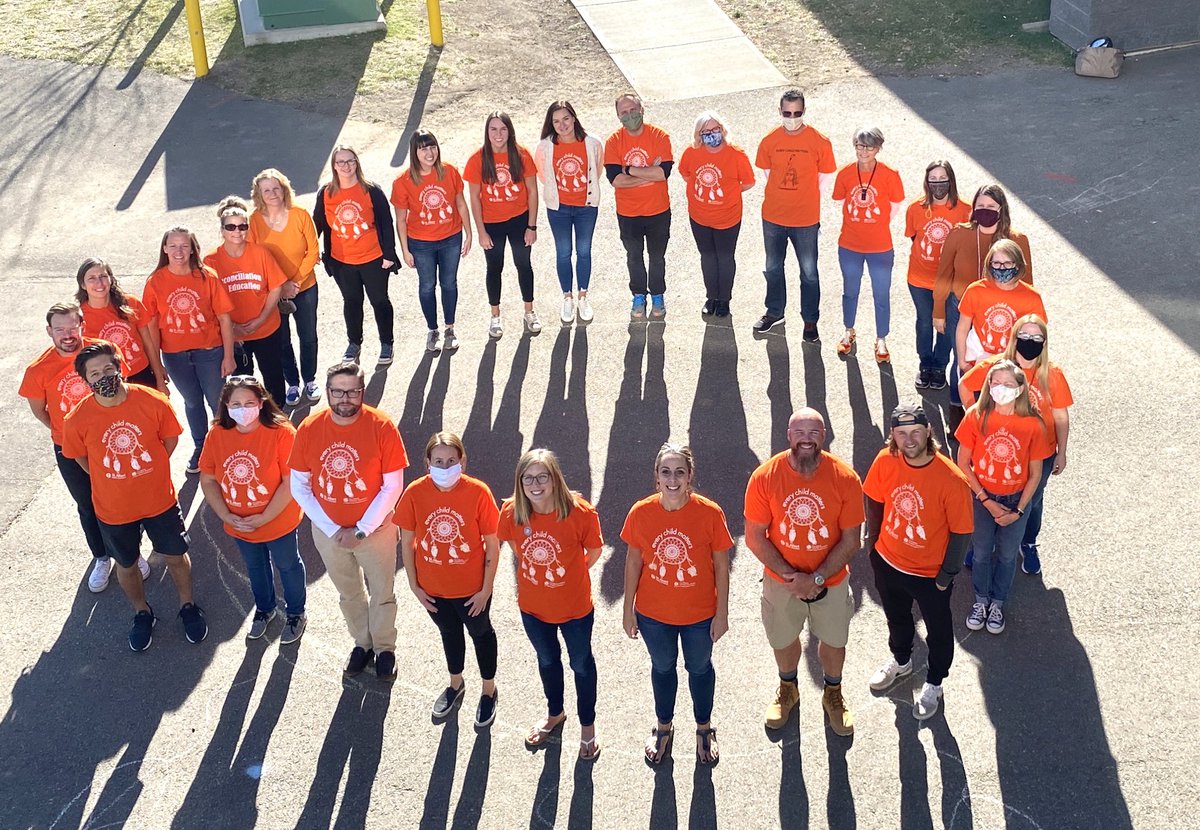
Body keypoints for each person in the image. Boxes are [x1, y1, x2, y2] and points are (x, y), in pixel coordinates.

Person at [61, 342, 207, 651]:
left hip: (159, 501)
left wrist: (148, 470)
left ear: (121, 368)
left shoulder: (153, 401)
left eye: (109, 369)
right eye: (95, 373)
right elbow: (82, 460)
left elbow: (169, 441)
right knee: (126, 566)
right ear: (85, 380)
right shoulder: (76, 419)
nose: (104, 377)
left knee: (174, 556)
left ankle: (187, 605)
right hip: (113, 510)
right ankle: (142, 612)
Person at [744, 408, 864, 736]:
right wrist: (791, 578)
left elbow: (852, 539)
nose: (806, 439)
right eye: (800, 432)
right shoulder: (765, 477)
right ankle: (788, 688)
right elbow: (755, 536)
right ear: (788, 435)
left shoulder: (845, 478)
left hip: (832, 580)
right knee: (783, 639)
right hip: (782, 581)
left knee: (834, 641)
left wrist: (818, 578)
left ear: (824, 436)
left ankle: (833, 692)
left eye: (814, 432)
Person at [289, 362, 407, 679]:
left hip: (376, 531)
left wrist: (360, 529)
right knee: (349, 592)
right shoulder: (310, 428)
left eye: (352, 391)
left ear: (362, 392)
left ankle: (384, 649)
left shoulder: (382, 426)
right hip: (329, 535)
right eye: (338, 391)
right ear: (327, 392)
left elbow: (392, 485)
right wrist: (334, 530)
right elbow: (298, 486)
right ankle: (362, 643)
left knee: (382, 592)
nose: (345, 398)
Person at [20, 304, 145, 593]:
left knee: (122, 498)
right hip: (70, 450)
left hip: (110, 441)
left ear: (82, 324)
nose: (67, 334)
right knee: (88, 505)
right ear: (49, 331)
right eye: (60, 329)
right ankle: (101, 557)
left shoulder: (104, 351)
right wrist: (69, 433)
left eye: (72, 327)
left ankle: (130, 555)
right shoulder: (38, 370)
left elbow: (120, 389)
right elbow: (41, 412)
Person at [621, 444, 732, 765]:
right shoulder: (640, 513)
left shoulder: (710, 513)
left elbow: (722, 566)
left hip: (700, 615)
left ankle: (704, 727)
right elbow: (632, 562)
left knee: (699, 669)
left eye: (679, 472)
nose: (673, 479)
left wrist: (722, 613)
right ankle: (663, 727)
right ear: (656, 478)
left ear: (690, 476)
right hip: (654, 616)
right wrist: (628, 609)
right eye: (665, 472)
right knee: (662, 668)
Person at [863, 403, 973, 721]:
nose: (909, 440)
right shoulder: (886, 460)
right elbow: (874, 500)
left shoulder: (950, 478)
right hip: (888, 563)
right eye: (901, 433)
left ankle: (935, 683)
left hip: (930, 575)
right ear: (893, 436)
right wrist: (874, 548)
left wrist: (946, 575)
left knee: (938, 633)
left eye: (915, 432)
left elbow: (962, 532)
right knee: (897, 620)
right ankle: (901, 661)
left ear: (928, 431)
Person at [497, 449, 604, 760]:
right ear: (520, 483)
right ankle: (555, 713)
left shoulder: (580, 512)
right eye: (528, 478)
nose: (535, 484)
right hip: (533, 608)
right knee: (547, 662)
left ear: (555, 480)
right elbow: (517, 548)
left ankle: (588, 727)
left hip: (575, 609)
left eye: (542, 476)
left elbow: (594, 552)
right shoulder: (511, 511)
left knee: (581, 665)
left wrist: (569, 573)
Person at [396, 432, 501, 727]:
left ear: (462, 462)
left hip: (472, 592)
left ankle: (489, 690)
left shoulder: (478, 493)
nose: (445, 467)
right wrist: (414, 586)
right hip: (433, 591)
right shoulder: (415, 493)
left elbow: (492, 544)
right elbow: (406, 542)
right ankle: (456, 684)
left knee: (481, 635)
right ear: (427, 462)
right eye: (438, 461)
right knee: (449, 634)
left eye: (451, 461)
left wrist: (485, 590)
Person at [958, 314, 1071, 576]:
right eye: (1024, 336)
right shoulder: (996, 367)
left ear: (1044, 342)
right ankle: (981, 545)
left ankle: (1027, 542)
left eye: (1036, 337)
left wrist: (1062, 452)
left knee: (1031, 499)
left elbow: (1061, 416)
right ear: (1014, 337)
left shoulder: (1051, 374)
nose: (1029, 342)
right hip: (995, 448)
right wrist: (973, 416)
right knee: (985, 494)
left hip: (1039, 452)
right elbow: (965, 385)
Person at [198, 376, 307, 644]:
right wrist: (225, 515)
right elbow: (208, 479)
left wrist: (264, 517)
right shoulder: (217, 435)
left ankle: (296, 613)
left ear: (261, 403)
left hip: (277, 521)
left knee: (287, 565)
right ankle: (265, 608)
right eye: (235, 403)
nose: (242, 409)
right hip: (239, 524)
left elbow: (289, 481)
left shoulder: (282, 433)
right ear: (225, 405)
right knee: (255, 568)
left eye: (249, 402)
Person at [954, 359, 1051, 635]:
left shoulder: (1033, 424)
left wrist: (1018, 511)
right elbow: (963, 463)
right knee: (982, 552)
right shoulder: (975, 415)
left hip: (1017, 499)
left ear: (1021, 389)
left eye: (1008, 384)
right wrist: (986, 500)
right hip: (982, 497)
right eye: (996, 383)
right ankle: (981, 600)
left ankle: (998, 602)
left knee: (1008, 555)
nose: (1001, 389)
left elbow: (1035, 474)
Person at [932, 184, 1033, 432]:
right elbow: (944, 275)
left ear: (1002, 209)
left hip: (1003, 313)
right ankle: (957, 408)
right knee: (963, 360)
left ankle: (997, 411)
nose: (985, 211)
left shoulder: (1017, 240)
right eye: (980, 206)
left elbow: (1027, 282)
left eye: (991, 207)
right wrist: (938, 311)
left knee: (1000, 362)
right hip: (961, 308)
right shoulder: (959, 234)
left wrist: (1026, 324)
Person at [142, 226, 236, 474]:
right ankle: (200, 447)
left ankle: (224, 446)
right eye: (173, 246)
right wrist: (157, 364)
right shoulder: (155, 282)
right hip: (175, 357)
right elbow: (151, 325)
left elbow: (225, 319)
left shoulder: (208, 277)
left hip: (210, 353)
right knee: (192, 402)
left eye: (184, 246)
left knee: (217, 402)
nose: (178, 251)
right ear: (164, 249)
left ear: (193, 249)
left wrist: (229, 356)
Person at [753, 88, 836, 337]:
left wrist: (806, 197)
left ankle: (810, 320)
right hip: (773, 217)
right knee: (773, 268)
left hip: (806, 220)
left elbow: (826, 176)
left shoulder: (820, 141)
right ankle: (775, 311)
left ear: (804, 111)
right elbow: (768, 174)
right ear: (780, 111)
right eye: (787, 112)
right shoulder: (769, 141)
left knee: (809, 272)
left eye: (797, 112)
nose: (792, 117)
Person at [314, 145, 399, 366]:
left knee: (380, 301)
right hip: (342, 262)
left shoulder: (371, 190)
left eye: (350, 161)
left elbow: (386, 223)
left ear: (357, 163)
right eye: (341, 162)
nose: (346, 166)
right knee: (351, 302)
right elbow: (317, 225)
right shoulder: (325, 193)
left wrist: (389, 254)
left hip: (373, 258)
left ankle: (386, 343)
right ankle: (354, 343)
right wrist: (311, 250)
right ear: (334, 166)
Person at [391, 129, 471, 353]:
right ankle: (432, 330)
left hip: (451, 239)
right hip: (421, 243)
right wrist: (405, 249)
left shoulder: (450, 172)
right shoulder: (403, 182)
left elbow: (461, 204)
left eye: (432, 146)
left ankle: (449, 328)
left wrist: (469, 233)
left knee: (449, 283)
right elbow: (400, 219)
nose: (429, 152)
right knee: (427, 286)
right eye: (423, 148)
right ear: (414, 152)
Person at [204, 196, 289, 407]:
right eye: (231, 227)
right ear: (222, 230)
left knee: (274, 377)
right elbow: (209, 301)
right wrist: (231, 327)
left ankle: (278, 417)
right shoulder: (210, 261)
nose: (237, 231)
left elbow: (275, 287)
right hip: (234, 335)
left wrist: (260, 319)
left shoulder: (260, 253)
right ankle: (249, 419)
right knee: (241, 383)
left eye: (242, 226)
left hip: (266, 328)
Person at [249, 168, 322, 407]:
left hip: (305, 287)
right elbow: (254, 257)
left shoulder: (300, 214)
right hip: (274, 291)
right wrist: (281, 286)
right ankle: (292, 382)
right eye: (266, 190)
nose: (272, 194)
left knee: (308, 335)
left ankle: (309, 379)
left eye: (276, 188)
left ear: (284, 189)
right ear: (259, 194)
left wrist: (296, 283)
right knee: (281, 340)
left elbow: (313, 251)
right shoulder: (254, 221)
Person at [464, 112, 541, 337]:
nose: (498, 134)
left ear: (510, 131)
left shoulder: (521, 154)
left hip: (519, 220)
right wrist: (481, 232)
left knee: (523, 265)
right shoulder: (477, 159)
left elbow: (533, 191)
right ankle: (495, 316)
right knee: (494, 268)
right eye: (493, 129)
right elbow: (474, 199)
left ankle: (529, 311)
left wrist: (532, 226)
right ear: (487, 132)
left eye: (503, 129)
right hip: (492, 224)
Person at [832, 127, 905, 363]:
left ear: (878, 148)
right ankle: (848, 331)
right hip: (850, 245)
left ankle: (881, 338)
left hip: (880, 247)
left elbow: (895, 204)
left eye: (869, 146)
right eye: (859, 145)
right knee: (850, 291)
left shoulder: (890, 174)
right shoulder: (844, 173)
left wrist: (876, 223)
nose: (863, 151)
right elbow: (841, 201)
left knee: (881, 294)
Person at [677, 111, 755, 318]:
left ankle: (724, 300)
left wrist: (728, 194)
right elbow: (685, 173)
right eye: (706, 131)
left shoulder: (736, 154)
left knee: (725, 258)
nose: (712, 134)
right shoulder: (691, 152)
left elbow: (748, 182)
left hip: (728, 219)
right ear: (698, 134)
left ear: (722, 129)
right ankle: (711, 297)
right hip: (699, 217)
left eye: (715, 129)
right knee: (708, 258)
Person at [604, 92, 674, 321]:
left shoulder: (659, 136)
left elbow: (663, 172)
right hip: (628, 214)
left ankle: (658, 295)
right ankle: (638, 296)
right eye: (624, 112)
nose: (629, 115)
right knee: (633, 256)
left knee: (657, 257)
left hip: (658, 211)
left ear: (642, 110)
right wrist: (649, 175)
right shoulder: (614, 142)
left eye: (633, 110)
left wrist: (628, 169)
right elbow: (615, 180)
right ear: (617, 116)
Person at [535, 100, 603, 325]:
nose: (562, 125)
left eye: (565, 118)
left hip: (586, 207)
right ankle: (567, 297)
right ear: (551, 124)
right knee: (563, 252)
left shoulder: (592, 143)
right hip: (559, 209)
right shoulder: (545, 146)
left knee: (584, 251)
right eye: (556, 121)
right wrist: (559, 193)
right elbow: (543, 174)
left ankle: (583, 296)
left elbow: (597, 168)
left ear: (574, 118)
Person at [904, 161, 970, 390]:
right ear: (927, 181)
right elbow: (914, 237)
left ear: (951, 180)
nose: (938, 184)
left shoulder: (965, 210)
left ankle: (940, 365)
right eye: (933, 179)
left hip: (951, 282)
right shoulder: (915, 208)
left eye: (943, 179)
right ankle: (925, 364)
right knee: (924, 321)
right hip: (919, 279)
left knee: (946, 324)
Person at [75, 258, 167, 391]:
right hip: (107, 380)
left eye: (103, 276)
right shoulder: (79, 317)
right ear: (83, 285)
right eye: (92, 278)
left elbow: (148, 344)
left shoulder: (130, 303)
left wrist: (159, 378)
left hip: (142, 374)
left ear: (110, 279)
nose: (99, 283)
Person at [956, 239, 1047, 367]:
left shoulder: (1032, 297)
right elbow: (962, 328)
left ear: (1017, 264)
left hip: (1014, 363)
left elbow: (1039, 336)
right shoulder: (975, 290)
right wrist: (962, 362)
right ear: (989, 264)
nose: (1002, 268)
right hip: (977, 360)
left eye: (1007, 263)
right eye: (997, 263)